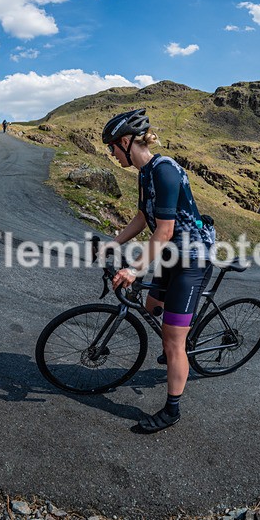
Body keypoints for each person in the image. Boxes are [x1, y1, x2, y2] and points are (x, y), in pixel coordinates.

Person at [100, 108, 215, 433]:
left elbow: (162, 231)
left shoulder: (164, 171)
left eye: (112, 146)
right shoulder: (144, 173)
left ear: (125, 141)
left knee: (172, 342)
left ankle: (172, 409)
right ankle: (181, 331)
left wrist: (135, 270)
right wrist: (114, 242)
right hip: (171, 255)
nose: (111, 153)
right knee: (152, 306)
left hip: (191, 258)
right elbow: (142, 218)